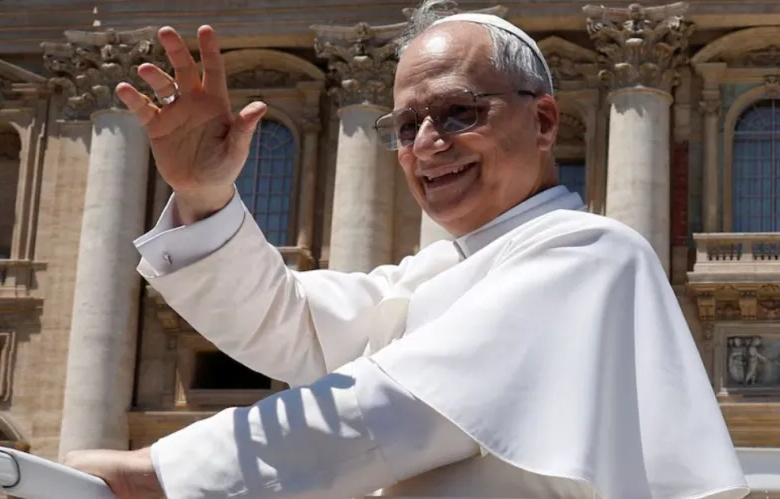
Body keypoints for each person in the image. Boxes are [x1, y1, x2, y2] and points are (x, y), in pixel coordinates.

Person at [62, 3, 750, 499]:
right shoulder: (434, 274)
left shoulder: (590, 253)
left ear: (543, 121)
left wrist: (158, 475)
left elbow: (403, 407)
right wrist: (206, 194)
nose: (426, 144)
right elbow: (292, 324)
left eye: (458, 113)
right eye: (406, 124)